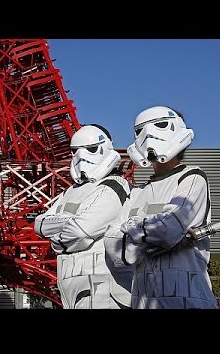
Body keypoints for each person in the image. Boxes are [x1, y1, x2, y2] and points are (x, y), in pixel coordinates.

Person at [105, 105, 218, 309]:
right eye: (140, 130)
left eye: (160, 126)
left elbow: (168, 229)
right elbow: (111, 242)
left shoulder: (192, 177)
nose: (149, 136)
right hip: (143, 300)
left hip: (187, 298)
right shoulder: (137, 192)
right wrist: (156, 240)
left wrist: (132, 234)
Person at [34, 124, 133, 309]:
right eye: (75, 151)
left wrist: (58, 241)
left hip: (103, 286)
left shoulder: (115, 186)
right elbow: (39, 225)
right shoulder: (71, 191)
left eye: (90, 149)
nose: (81, 156)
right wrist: (71, 222)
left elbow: (81, 230)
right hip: (70, 283)